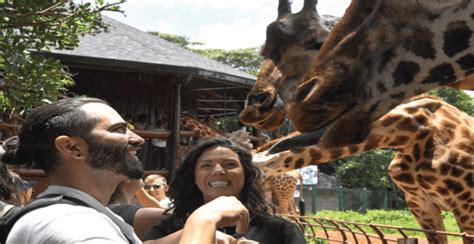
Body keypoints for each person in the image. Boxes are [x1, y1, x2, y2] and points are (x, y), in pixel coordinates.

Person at [2, 97, 249, 244]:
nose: (138, 139)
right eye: (119, 130)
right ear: (73, 148)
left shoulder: (75, 215)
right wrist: (203, 222)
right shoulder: (74, 226)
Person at [144, 137, 306, 244]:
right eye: (206, 165)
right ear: (193, 177)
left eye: (230, 164)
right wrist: (193, 231)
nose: (218, 171)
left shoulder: (280, 231)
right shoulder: (170, 227)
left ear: (246, 175)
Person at [109, 176, 166, 240]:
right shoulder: (120, 212)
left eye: (156, 186)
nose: (151, 189)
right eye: (147, 187)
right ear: (125, 178)